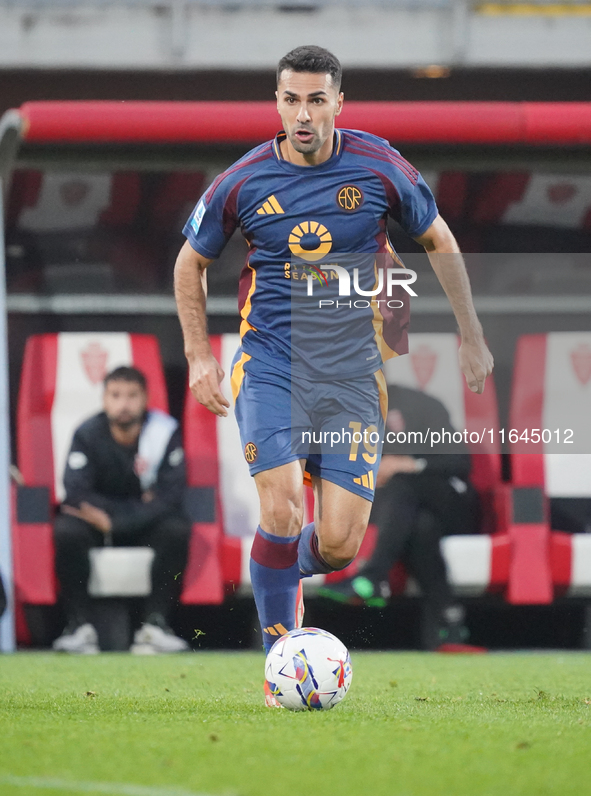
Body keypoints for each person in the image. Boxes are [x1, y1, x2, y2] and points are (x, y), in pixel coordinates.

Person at [174, 45, 493, 704]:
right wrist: (200, 355)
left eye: (316, 99)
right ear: (277, 103)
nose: (302, 113)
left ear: (338, 104)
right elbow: (189, 263)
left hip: (350, 374)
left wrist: (471, 334)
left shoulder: (379, 167)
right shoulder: (244, 180)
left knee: (342, 544)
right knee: (284, 506)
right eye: (290, 98)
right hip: (269, 365)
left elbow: (439, 242)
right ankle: (277, 655)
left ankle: (275, 562)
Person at [318, 383, 483, 652]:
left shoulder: (420, 403)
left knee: (402, 483)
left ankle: (372, 577)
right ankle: (450, 623)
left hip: (450, 502)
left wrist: (411, 463)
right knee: (421, 526)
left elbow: (460, 461)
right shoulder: (343, 412)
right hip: (401, 513)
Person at [52, 366, 191, 655]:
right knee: (66, 529)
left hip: (134, 523)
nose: (124, 404)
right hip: (101, 524)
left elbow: (171, 494)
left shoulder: (164, 432)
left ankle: (156, 626)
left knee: (177, 528)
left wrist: (116, 521)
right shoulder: (87, 433)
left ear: (145, 398)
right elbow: (76, 491)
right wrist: (135, 508)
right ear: (104, 399)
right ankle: (79, 627)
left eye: (132, 395)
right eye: (115, 395)